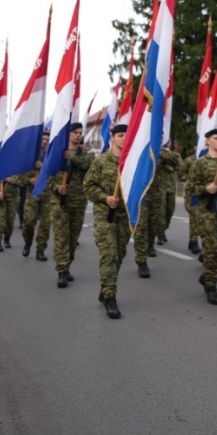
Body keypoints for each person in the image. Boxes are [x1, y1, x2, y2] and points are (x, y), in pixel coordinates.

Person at [83, 123, 130, 318]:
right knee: (109, 254)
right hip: (104, 214)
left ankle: (106, 285)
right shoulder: (101, 161)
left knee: (119, 253)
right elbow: (88, 186)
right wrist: (105, 198)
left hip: (124, 215)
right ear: (112, 138)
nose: (123, 138)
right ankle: (110, 297)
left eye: (126, 135)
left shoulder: (132, 163)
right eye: (120, 135)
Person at [187, 129, 217, 305]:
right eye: (215, 138)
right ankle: (211, 287)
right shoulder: (201, 163)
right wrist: (205, 188)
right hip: (206, 211)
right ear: (208, 142)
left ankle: (206, 275)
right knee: (211, 249)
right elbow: (190, 188)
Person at [51, 122, 93, 288]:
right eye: (75, 132)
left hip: (78, 202)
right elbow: (48, 177)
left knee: (73, 238)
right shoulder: (57, 154)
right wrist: (57, 187)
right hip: (59, 202)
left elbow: (89, 165)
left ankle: (67, 265)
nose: (78, 135)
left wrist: (72, 158)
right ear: (68, 134)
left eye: (80, 133)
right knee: (61, 237)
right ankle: (61, 271)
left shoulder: (86, 154)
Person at [22, 130, 52, 259]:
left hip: (48, 193)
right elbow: (17, 175)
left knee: (45, 224)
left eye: (47, 140)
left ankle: (40, 249)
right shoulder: (28, 155)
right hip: (33, 193)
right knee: (29, 221)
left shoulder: (52, 155)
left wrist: (43, 166)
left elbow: (57, 171)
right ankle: (27, 242)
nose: (45, 142)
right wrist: (29, 180)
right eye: (43, 139)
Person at [158, 145, 181, 245]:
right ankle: (160, 233)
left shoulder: (174, 155)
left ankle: (163, 228)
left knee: (169, 211)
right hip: (160, 189)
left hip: (171, 189)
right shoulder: (156, 154)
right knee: (161, 213)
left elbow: (179, 165)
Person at [179, 154, 202, 255]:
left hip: (204, 192)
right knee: (195, 216)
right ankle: (193, 241)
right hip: (192, 192)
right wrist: (189, 179)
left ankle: (193, 241)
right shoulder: (189, 160)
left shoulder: (210, 158)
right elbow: (181, 173)